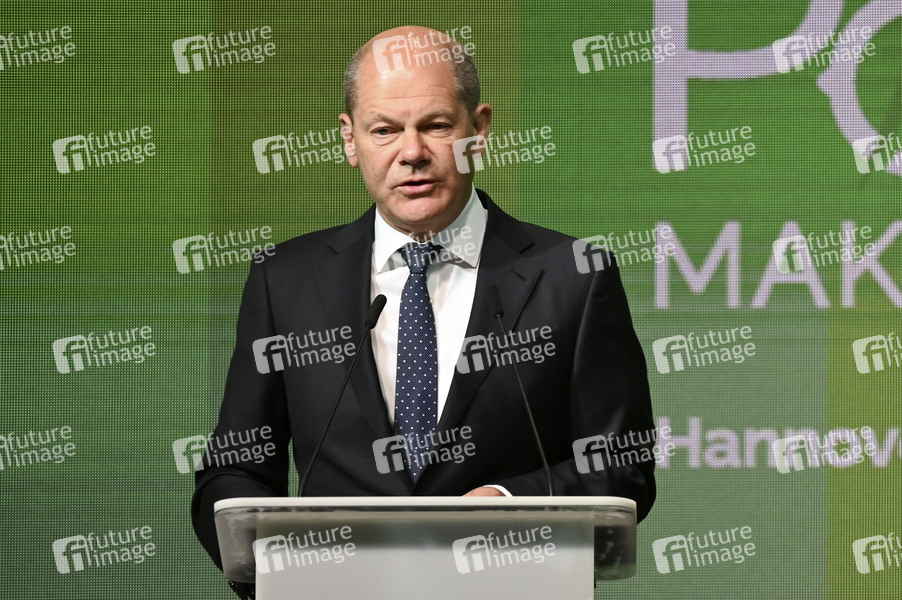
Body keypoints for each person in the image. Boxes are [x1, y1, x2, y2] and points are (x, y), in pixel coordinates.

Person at [192, 25, 655, 598]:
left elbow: (621, 468)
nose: (411, 153)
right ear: (350, 140)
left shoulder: (573, 276)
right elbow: (233, 470)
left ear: (478, 131)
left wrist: (510, 502)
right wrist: (279, 573)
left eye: (435, 125)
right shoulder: (284, 279)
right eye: (384, 130)